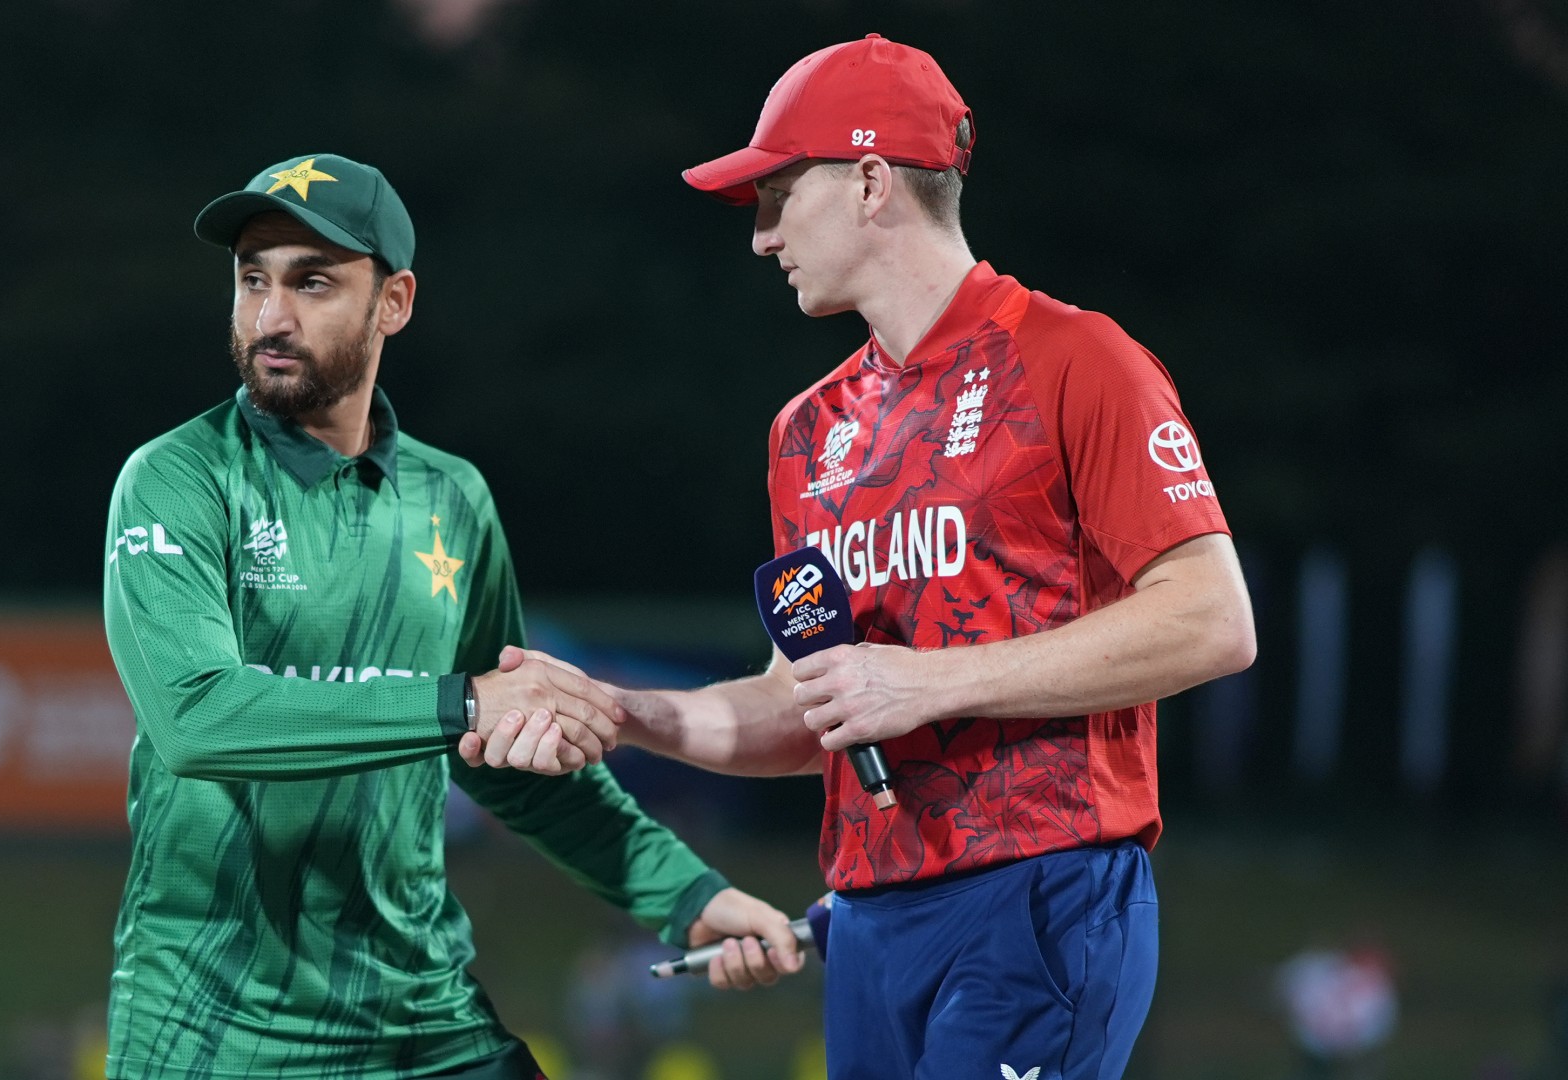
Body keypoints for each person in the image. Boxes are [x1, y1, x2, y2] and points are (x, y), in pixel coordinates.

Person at [474, 34, 1255, 1080]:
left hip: (1038, 893)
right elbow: (809, 707)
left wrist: (924, 681)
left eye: (777, 195)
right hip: (869, 921)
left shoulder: (1077, 359)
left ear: (872, 182)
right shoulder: (806, 431)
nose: (759, 238)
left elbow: (1213, 617)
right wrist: (618, 712)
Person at [101, 153, 802, 1080]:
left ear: (393, 303)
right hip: (215, 1031)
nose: (271, 316)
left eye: (313, 282)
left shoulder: (451, 499)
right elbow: (195, 717)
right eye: (252, 279)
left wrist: (689, 897)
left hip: (423, 1019)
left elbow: (514, 767)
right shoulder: (177, 480)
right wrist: (464, 701)